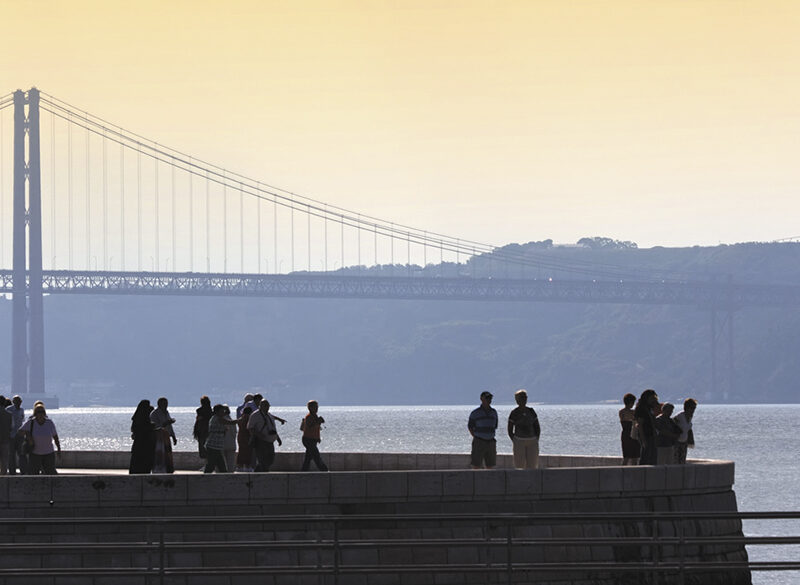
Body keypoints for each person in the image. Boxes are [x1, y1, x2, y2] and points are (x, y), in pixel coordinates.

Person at [507, 389, 540, 469]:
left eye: (525, 397)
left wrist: (536, 439)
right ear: (517, 400)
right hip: (519, 441)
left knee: (532, 466)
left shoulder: (531, 411)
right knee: (519, 465)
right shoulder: (514, 413)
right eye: (521, 397)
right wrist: (515, 440)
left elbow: (537, 427)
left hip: (532, 441)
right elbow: (510, 429)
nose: (523, 399)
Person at [24, 403, 61, 475]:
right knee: (33, 473)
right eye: (38, 412)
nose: (40, 414)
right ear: (35, 413)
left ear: (44, 413)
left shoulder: (49, 423)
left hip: (48, 453)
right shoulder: (31, 422)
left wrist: (59, 449)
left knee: (50, 473)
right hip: (35, 453)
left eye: (42, 412)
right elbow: (20, 432)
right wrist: (29, 437)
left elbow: (55, 437)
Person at [247, 400, 282, 472]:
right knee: (262, 459)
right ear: (260, 406)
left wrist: (278, 438)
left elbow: (272, 428)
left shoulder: (269, 415)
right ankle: (263, 472)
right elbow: (250, 428)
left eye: (268, 405)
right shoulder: (255, 415)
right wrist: (258, 434)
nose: (267, 407)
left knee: (271, 458)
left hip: (270, 440)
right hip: (261, 441)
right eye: (265, 405)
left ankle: (259, 470)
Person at [468, 391, 498, 469]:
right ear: (481, 399)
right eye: (487, 398)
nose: (489, 400)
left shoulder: (494, 412)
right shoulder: (475, 413)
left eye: (490, 398)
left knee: (490, 465)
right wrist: (477, 437)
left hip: (491, 442)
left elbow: (495, 426)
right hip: (479, 442)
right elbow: (470, 427)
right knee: (476, 464)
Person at [204, 404, 238, 473]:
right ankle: (204, 479)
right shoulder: (217, 419)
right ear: (217, 412)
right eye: (222, 411)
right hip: (213, 446)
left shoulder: (217, 419)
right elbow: (230, 422)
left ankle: (223, 479)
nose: (223, 412)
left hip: (217, 447)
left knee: (221, 466)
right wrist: (241, 419)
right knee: (211, 465)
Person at [150, 397, 177, 474]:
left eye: (166, 404)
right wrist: (166, 423)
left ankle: (168, 469)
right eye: (164, 404)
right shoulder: (154, 414)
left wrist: (173, 436)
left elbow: (170, 427)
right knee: (159, 454)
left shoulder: (166, 412)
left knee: (167, 454)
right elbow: (154, 426)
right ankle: (158, 469)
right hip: (158, 438)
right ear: (159, 404)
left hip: (166, 436)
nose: (166, 405)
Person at [301, 400, 329, 471]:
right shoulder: (309, 416)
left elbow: (316, 429)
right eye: (315, 407)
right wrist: (318, 421)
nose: (316, 409)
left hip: (312, 439)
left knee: (308, 457)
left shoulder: (315, 416)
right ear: (310, 408)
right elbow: (310, 426)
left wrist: (318, 438)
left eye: (317, 407)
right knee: (316, 457)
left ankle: (303, 471)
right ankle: (325, 471)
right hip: (308, 439)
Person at [129, 400, 156, 474]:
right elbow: (144, 429)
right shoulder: (145, 418)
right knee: (144, 462)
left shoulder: (136, 418)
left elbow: (134, 429)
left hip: (138, 443)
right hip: (145, 443)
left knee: (137, 462)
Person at [634, 389, 659, 465]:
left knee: (653, 456)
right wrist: (643, 439)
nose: (653, 400)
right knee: (645, 456)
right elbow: (640, 425)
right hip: (646, 435)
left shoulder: (649, 408)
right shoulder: (641, 409)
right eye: (652, 398)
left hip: (652, 435)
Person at [673, 398, 697, 464]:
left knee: (682, 461)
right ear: (686, 407)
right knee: (676, 460)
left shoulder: (690, 417)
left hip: (684, 442)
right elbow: (672, 423)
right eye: (691, 408)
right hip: (677, 442)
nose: (693, 410)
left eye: (694, 408)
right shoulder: (679, 416)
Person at [6, 395, 26, 475]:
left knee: (21, 453)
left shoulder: (22, 410)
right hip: (11, 435)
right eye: (17, 401)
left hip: (20, 435)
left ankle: (23, 471)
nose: (19, 402)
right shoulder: (8, 409)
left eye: (20, 401)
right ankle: (12, 471)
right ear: (13, 401)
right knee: (11, 455)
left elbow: (22, 419)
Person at [619, 393, 640, 465]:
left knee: (628, 456)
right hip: (631, 434)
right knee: (632, 457)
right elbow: (635, 420)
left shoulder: (621, 412)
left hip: (626, 434)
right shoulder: (632, 412)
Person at [193, 396, 213, 460]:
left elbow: (198, 422)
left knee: (203, 447)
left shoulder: (200, 411)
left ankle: (206, 463)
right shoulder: (211, 412)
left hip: (201, 431)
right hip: (207, 431)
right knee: (208, 448)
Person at [236, 406, 254, 472]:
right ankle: (247, 466)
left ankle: (239, 466)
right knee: (248, 452)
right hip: (247, 436)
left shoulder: (241, 418)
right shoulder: (249, 418)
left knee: (241, 451)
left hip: (240, 436)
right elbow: (250, 428)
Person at [222, 405, 237, 473]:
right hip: (231, 443)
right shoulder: (232, 421)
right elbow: (235, 433)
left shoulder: (221, 421)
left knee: (223, 461)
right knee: (231, 462)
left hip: (222, 444)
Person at [0, 396, 11, 475]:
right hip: (5, 440)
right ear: (4, 403)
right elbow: (12, 427)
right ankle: (3, 477)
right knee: (4, 460)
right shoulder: (9, 415)